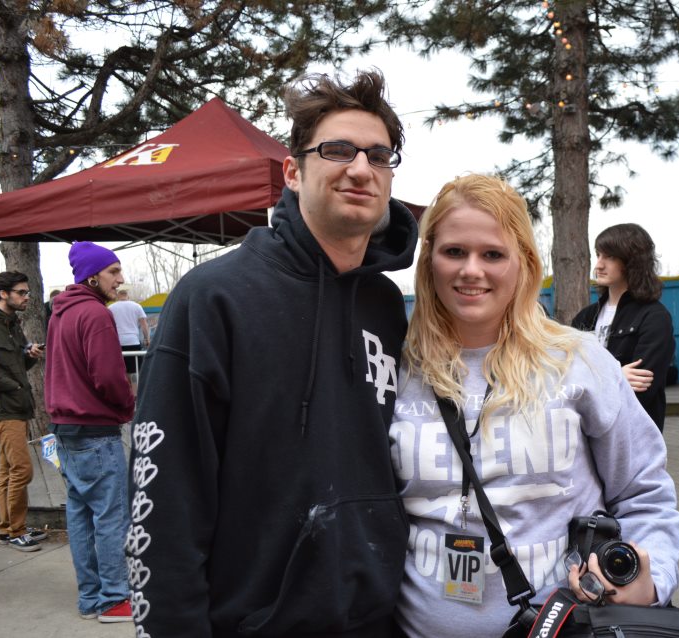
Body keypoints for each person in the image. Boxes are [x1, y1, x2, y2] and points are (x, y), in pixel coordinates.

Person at [127, 69, 418, 637]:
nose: (361, 168)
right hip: (254, 622)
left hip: (377, 620)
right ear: (292, 172)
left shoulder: (386, 305)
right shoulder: (215, 297)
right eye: (338, 150)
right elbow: (165, 501)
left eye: (379, 156)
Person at [390, 174, 679, 637]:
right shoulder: (394, 367)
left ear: (524, 261)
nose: (471, 270)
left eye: (492, 254)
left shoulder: (579, 360)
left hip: (564, 626)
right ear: (429, 262)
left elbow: (643, 492)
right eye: (454, 252)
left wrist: (652, 579)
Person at [45, 242, 135, 622]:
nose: (120, 279)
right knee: (110, 516)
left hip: (66, 428)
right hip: (95, 429)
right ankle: (114, 599)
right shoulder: (96, 314)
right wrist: (127, 405)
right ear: (92, 276)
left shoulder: (60, 312)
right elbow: (109, 377)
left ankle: (91, 598)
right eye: (113, 271)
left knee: (81, 515)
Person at [571, 223, 675, 430]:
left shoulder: (654, 317)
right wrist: (616, 376)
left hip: (634, 437)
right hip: (585, 434)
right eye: (598, 255)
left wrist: (590, 382)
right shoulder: (585, 318)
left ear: (632, 261)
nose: (599, 265)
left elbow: (640, 392)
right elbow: (567, 379)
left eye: (610, 257)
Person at [0, 271, 47, 552]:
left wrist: (30, 356)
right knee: (22, 470)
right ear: (3, 294)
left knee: (8, 470)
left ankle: (7, 528)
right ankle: (17, 531)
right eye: (22, 292)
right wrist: (14, 386)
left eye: (27, 292)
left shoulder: (12, 323)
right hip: (4, 408)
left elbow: (18, 366)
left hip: (17, 405)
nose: (27, 297)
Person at [108, 288, 149, 392]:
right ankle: (135, 393)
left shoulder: (111, 308)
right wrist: (147, 338)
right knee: (134, 370)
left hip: (117, 342)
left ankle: (125, 392)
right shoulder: (136, 306)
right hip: (133, 341)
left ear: (118, 296)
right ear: (128, 296)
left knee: (120, 370)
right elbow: (144, 324)